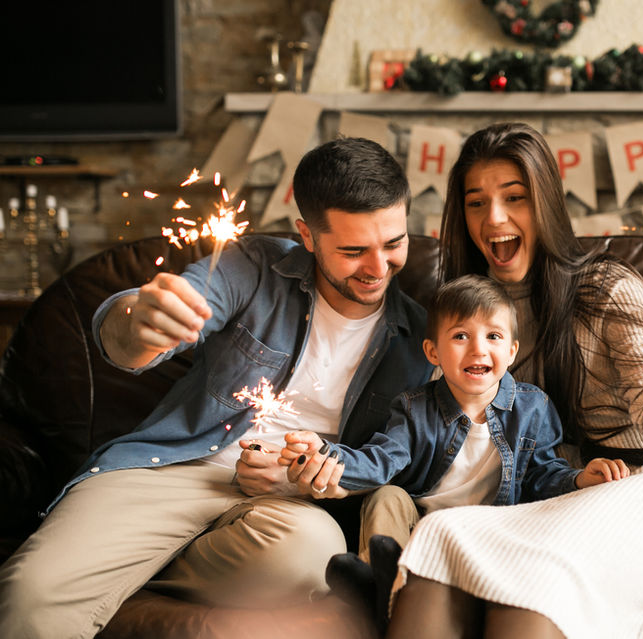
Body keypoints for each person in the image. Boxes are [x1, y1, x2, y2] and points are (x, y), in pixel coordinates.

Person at [0, 137, 434, 639]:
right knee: (30, 597)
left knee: (310, 556)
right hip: (174, 471)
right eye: (354, 250)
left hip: (287, 506)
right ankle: (111, 559)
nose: (378, 268)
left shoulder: (422, 341)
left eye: (394, 244)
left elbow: (399, 462)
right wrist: (137, 321)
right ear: (308, 237)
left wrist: (307, 480)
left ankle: (133, 566)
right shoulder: (251, 265)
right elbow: (131, 334)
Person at [383, 122, 643, 639]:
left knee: (533, 582)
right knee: (440, 534)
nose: (494, 219)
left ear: (547, 203)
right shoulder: (466, 313)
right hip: (563, 495)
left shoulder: (606, 289)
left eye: (515, 197)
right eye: (475, 203)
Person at [280, 274, 628, 557]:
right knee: (386, 496)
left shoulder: (532, 407)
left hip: (492, 528)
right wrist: (325, 455)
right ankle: (379, 576)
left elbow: (542, 475)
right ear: (433, 352)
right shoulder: (414, 407)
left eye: (493, 336)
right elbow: (381, 461)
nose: (478, 348)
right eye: (461, 336)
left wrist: (581, 479)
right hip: (420, 525)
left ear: (511, 352)